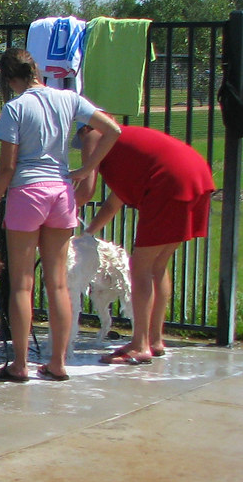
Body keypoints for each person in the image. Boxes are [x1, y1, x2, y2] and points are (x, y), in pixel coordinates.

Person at [0, 48, 121, 382]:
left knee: (22, 285)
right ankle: (57, 362)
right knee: (56, 284)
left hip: (27, 192)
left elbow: (7, 167)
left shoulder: (15, 108)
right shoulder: (68, 98)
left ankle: (20, 364)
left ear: (9, 78)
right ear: (36, 70)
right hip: (61, 193)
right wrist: (87, 168)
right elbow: (113, 130)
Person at [75, 124, 214, 365]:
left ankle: (139, 346)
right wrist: (86, 234)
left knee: (139, 267)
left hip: (169, 181)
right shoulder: (123, 144)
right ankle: (154, 339)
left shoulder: (93, 133)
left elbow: (86, 190)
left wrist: (58, 209)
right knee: (157, 266)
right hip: (195, 174)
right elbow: (112, 204)